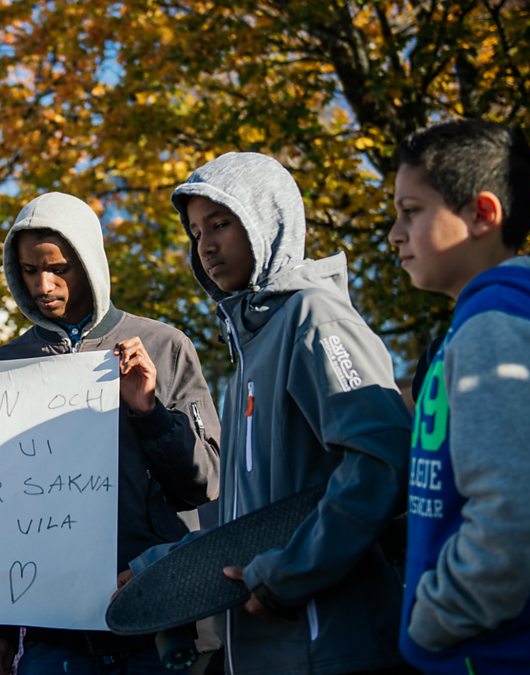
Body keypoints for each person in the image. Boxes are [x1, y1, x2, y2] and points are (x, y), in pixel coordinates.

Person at [159, 152, 411, 673]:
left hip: (328, 646)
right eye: (196, 232)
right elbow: (247, 524)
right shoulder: (248, 355)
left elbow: (381, 459)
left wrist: (289, 575)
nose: (206, 245)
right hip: (267, 653)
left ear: (266, 221)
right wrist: (149, 569)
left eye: (220, 224)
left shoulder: (315, 318)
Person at [391, 119, 530, 672]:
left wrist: (432, 621)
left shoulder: (497, 326)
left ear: (481, 215)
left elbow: (521, 512)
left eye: (411, 211)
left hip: (515, 652)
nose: (395, 234)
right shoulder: (510, 318)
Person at [0, 192, 221, 674]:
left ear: (90, 262)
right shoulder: (1, 368)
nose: (43, 285)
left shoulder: (164, 346)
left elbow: (206, 484)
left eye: (59, 268)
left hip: (158, 625)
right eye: (29, 270)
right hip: (54, 635)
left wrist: (149, 411)